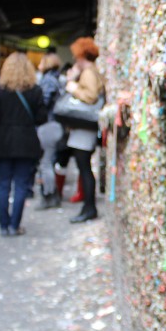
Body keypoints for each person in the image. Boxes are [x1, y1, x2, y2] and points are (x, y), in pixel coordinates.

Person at [0, 53, 46, 235]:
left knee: (3, 184)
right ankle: (15, 225)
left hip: (4, 140)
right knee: (21, 184)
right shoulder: (35, 90)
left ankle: (3, 226)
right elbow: (41, 118)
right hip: (26, 141)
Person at [65, 37, 105, 224]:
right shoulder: (94, 71)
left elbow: (90, 97)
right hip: (85, 128)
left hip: (83, 128)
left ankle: (89, 208)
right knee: (84, 168)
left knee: (84, 168)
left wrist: (73, 88)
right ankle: (88, 207)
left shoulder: (89, 72)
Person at [35, 53, 65, 209]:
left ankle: (49, 195)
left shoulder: (47, 81)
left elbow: (44, 103)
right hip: (55, 125)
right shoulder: (57, 79)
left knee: (46, 163)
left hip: (48, 125)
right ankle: (52, 195)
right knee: (49, 162)